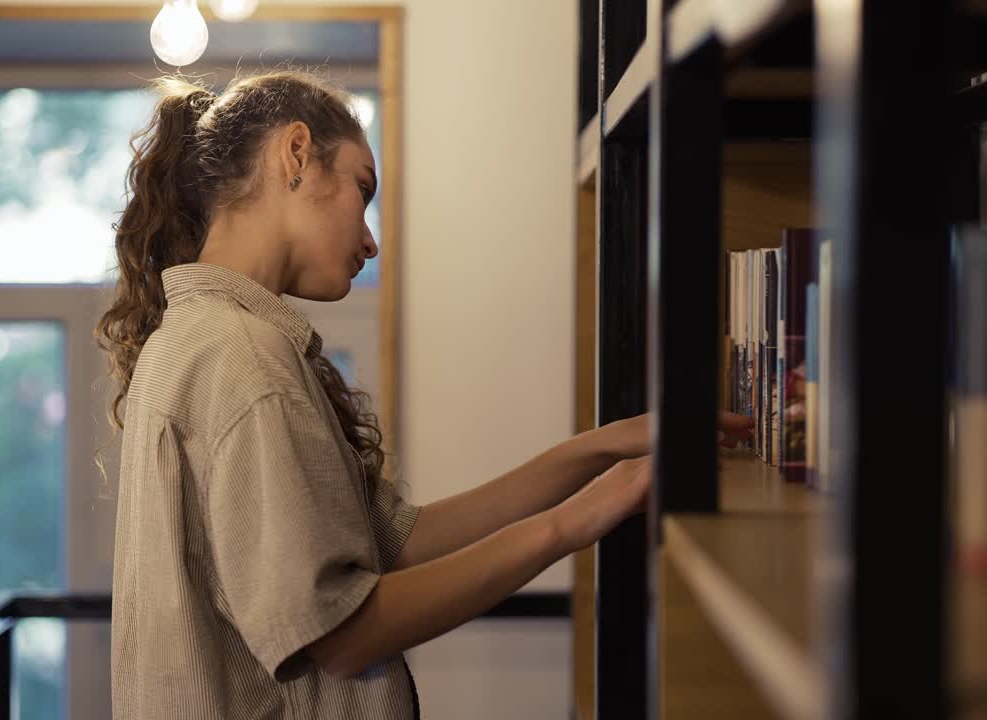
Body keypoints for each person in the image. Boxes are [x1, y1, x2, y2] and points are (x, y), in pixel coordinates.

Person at [95, 70, 751, 720]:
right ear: (296, 155)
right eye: (362, 189)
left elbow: (401, 542)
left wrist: (602, 449)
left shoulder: (194, 339)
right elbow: (342, 637)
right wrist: (575, 523)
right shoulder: (241, 358)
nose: (370, 239)